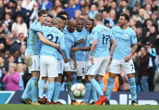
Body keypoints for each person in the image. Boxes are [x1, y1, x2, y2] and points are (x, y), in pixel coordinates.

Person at [20, 10, 59, 105]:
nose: (46, 18)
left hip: (36, 54)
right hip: (32, 53)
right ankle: (34, 100)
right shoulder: (36, 26)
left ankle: (24, 96)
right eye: (44, 16)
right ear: (39, 17)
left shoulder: (41, 26)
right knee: (35, 77)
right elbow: (41, 36)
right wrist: (54, 43)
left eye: (46, 16)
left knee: (35, 77)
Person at [106, 13, 138, 105]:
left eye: (122, 19)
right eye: (119, 19)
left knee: (132, 80)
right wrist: (109, 55)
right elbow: (108, 41)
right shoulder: (113, 30)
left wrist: (130, 55)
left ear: (126, 21)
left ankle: (133, 100)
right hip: (115, 59)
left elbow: (135, 45)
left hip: (127, 59)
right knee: (111, 80)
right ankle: (107, 100)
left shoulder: (131, 32)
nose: (119, 20)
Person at [88, 13, 116, 105]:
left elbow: (95, 43)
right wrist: (110, 54)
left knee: (90, 77)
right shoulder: (108, 29)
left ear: (95, 19)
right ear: (102, 19)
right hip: (106, 55)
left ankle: (102, 97)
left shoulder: (96, 29)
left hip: (97, 55)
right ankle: (103, 100)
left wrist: (90, 54)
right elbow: (114, 43)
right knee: (100, 77)